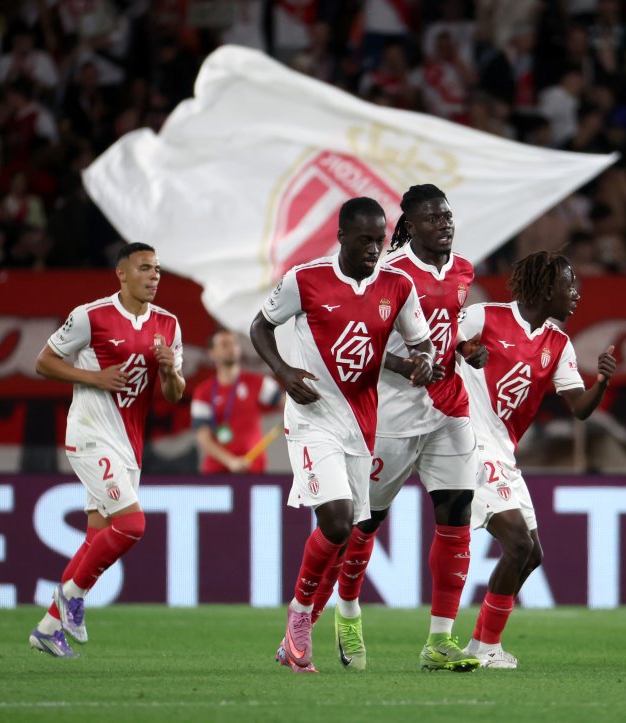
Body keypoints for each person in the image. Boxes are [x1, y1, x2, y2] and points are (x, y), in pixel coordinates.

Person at [304, 185, 488, 672]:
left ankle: (440, 640)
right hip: (391, 416)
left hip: (450, 409)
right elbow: (365, 341)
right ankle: (347, 612)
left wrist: (466, 350)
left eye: (447, 215)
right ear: (409, 224)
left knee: (457, 516)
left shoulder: (464, 270)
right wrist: (407, 365)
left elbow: (451, 328)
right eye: (431, 218)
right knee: (363, 525)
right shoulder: (391, 272)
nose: (443, 224)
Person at [250, 197, 434, 674]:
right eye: (365, 240)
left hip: (363, 423)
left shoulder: (399, 285)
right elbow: (260, 326)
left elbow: (421, 346)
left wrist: (422, 363)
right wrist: (283, 370)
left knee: (348, 530)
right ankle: (299, 619)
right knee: (334, 522)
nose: (375, 249)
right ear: (342, 237)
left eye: (380, 239)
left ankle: (299, 622)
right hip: (312, 417)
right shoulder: (305, 279)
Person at [458, 251, 617, 668]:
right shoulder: (483, 317)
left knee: (532, 555)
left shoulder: (558, 343)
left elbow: (579, 408)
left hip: (504, 451)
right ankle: (488, 648)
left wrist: (600, 382)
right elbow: (440, 345)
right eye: (569, 285)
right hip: (468, 441)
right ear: (546, 288)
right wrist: (463, 351)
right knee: (518, 543)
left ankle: (479, 645)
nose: (576, 294)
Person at [28, 242, 186, 657]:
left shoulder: (168, 325)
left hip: (129, 444)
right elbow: (44, 362)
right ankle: (71, 596)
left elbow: (173, 394)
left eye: (157, 269)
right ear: (122, 273)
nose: (153, 276)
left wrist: (170, 370)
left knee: (97, 536)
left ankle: (48, 627)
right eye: (145, 268)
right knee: (132, 524)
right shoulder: (90, 316)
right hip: (90, 434)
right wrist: (93, 378)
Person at [191, 329, 283, 474]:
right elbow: (203, 437)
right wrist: (231, 462)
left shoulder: (259, 382)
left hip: (253, 468)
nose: (231, 348)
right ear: (211, 353)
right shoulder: (202, 393)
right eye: (224, 344)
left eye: (234, 343)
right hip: (216, 473)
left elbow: (289, 404)